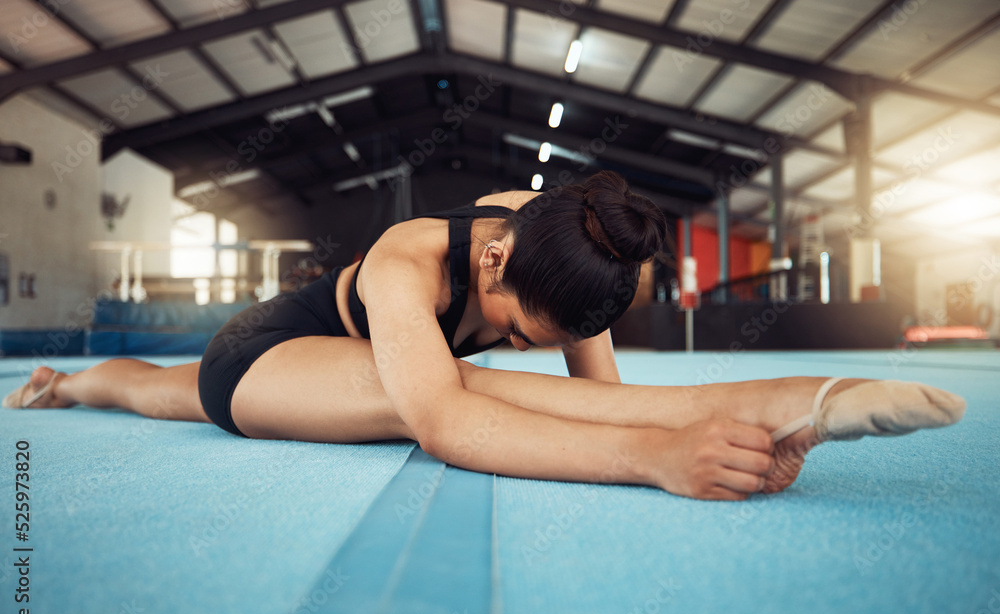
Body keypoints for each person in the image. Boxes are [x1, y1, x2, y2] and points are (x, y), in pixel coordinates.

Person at [2, 171, 965, 500]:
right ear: (492, 267)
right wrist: (659, 458)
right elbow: (448, 427)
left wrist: (648, 424)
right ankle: (778, 398)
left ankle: (65, 383)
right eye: (513, 328)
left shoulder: (559, 242)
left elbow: (602, 396)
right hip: (261, 357)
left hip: (339, 363)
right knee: (448, 396)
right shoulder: (402, 266)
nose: (519, 342)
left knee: (136, 386)